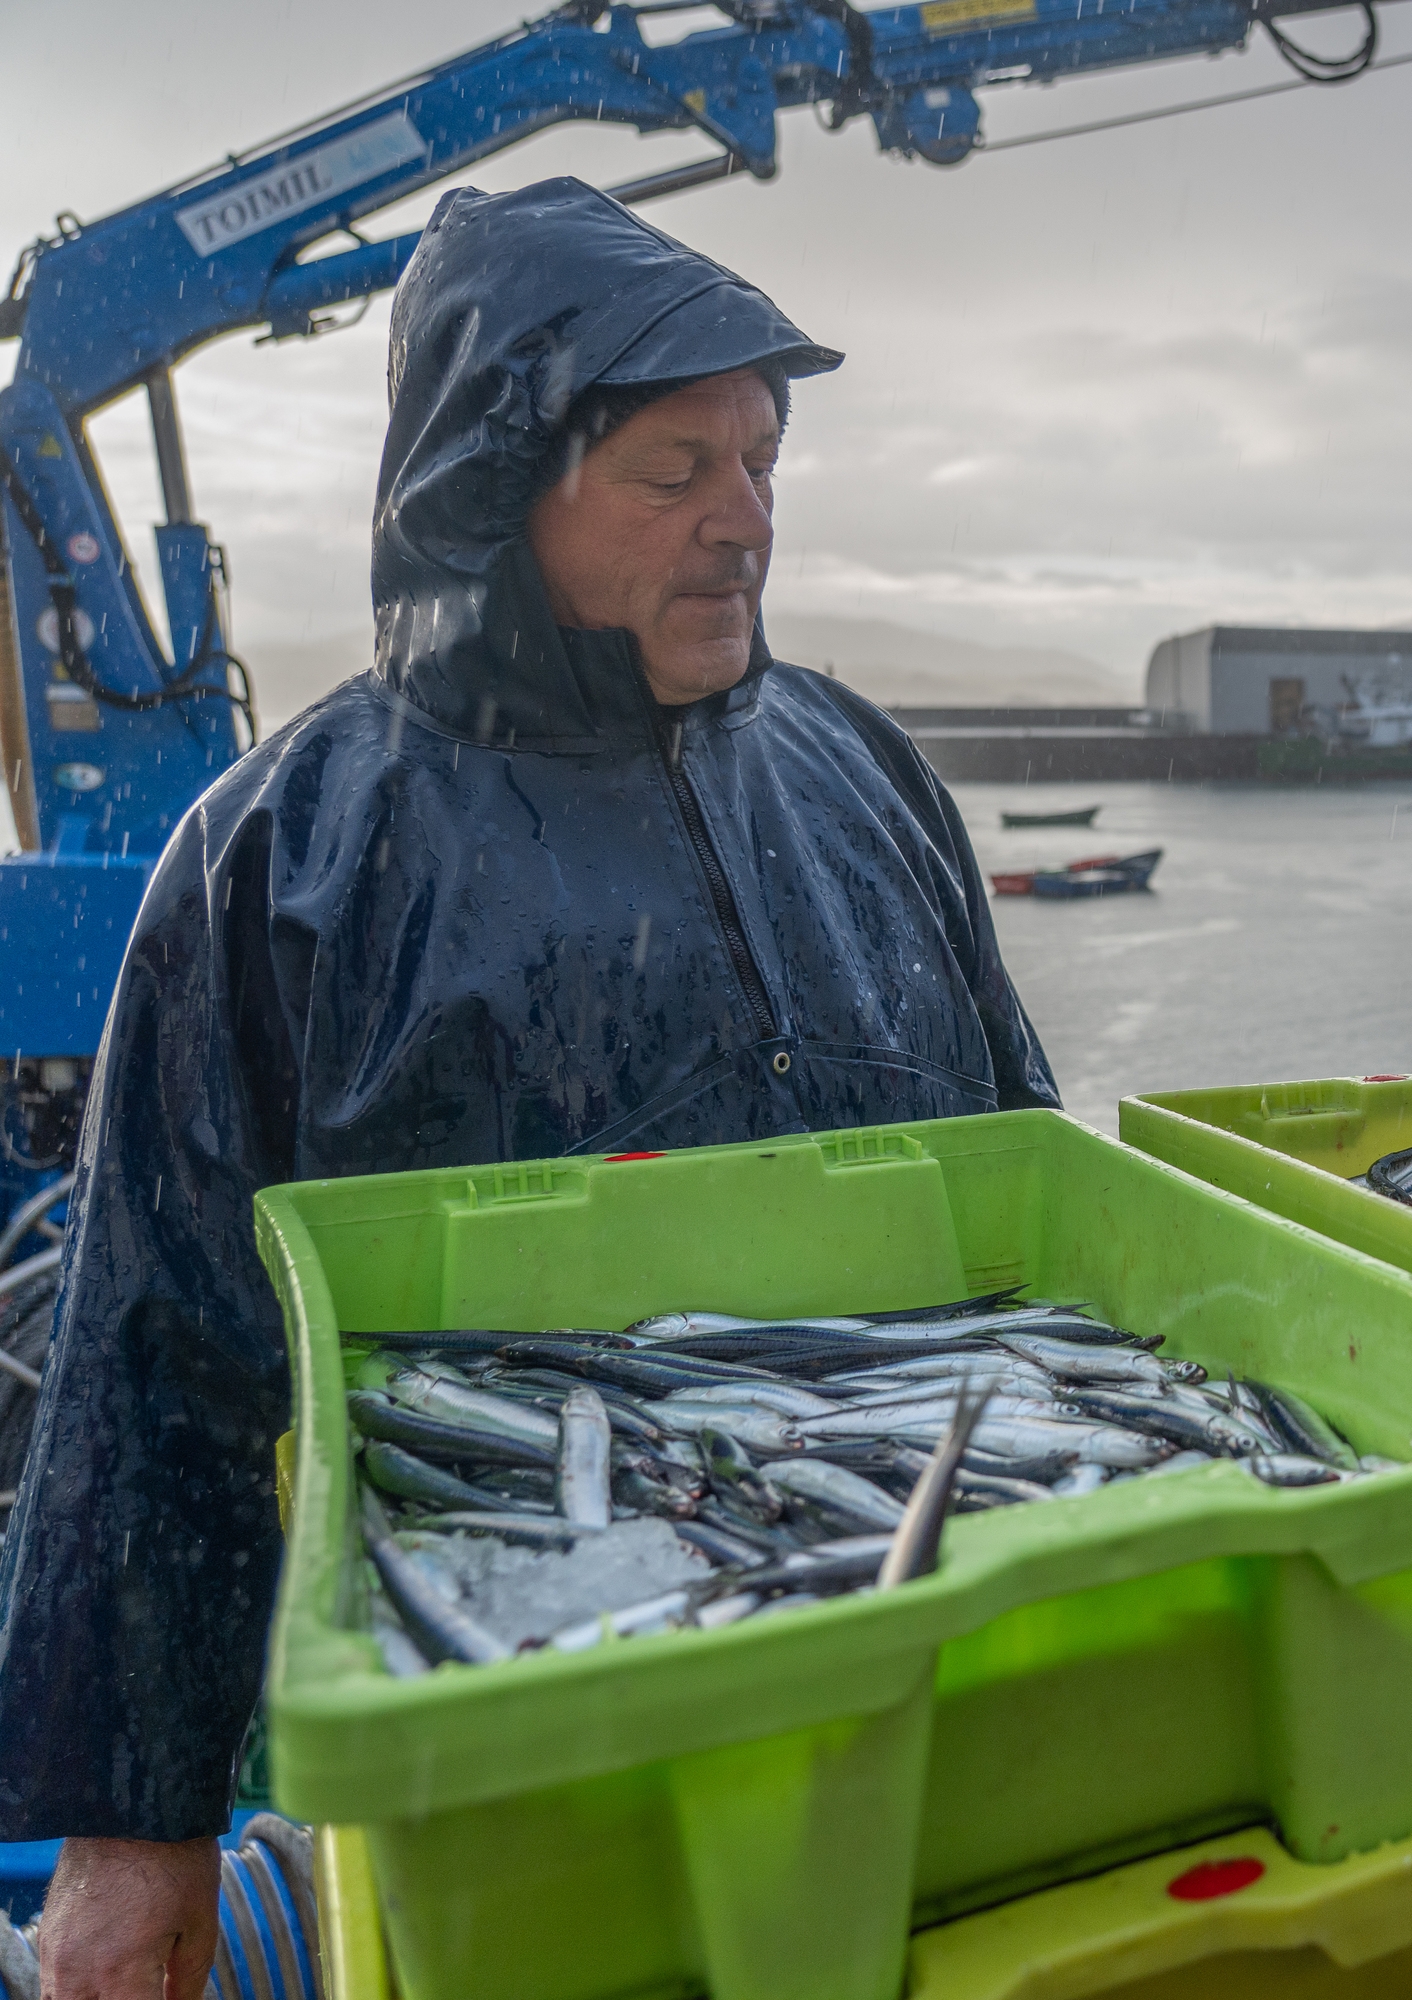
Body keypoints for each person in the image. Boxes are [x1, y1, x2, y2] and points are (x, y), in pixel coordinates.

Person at [0, 179, 1057, 1995]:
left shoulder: (867, 770)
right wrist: (131, 1836)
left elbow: (1037, 1197)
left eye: (763, 461)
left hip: (947, 1704)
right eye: (676, 471)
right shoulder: (280, 860)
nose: (748, 522)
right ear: (499, 486)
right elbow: (158, 1375)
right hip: (514, 1782)